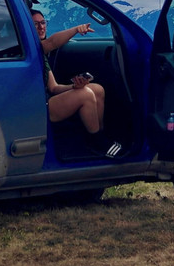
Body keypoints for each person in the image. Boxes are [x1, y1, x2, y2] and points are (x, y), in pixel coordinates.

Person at [31, 9, 125, 158]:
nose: (41, 27)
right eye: (35, 24)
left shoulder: (39, 56)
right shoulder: (33, 49)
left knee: (96, 89)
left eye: (43, 23)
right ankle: (96, 142)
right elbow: (52, 42)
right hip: (37, 108)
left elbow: (54, 88)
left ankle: (100, 135)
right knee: (85, 95)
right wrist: (76, 29)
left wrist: (75, 87)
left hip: (49, 101)